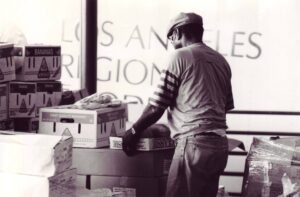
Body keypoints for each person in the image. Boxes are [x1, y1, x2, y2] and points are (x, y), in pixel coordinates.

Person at [122, 12, 234, 197]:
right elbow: (225, 106)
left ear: (178, 32)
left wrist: (133, 132)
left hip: (194, 144)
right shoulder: (221, 61)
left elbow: (156, 106)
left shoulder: (179, 57)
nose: (171, 42)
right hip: (220, 146)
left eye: (170, 37)